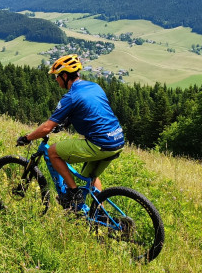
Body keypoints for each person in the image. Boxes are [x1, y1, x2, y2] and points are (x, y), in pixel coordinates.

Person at [17, 54, 125, 208]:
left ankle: (73, 194)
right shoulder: (95, 86)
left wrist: (27, 138)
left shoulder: (71, 96)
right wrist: (67, 121)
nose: (56, 80)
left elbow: (47, 127)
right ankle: (98, 213)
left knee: (52, 152)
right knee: (90, 177)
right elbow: (92, 111)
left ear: (65, 75)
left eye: (57, 76)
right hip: (118, 140)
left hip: (100, 143)